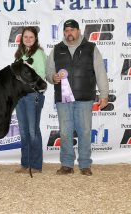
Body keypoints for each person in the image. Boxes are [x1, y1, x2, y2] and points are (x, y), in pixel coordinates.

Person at [46, 19, 109, 176]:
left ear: (78, 31)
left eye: (72, 30)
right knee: (65, 132)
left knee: (85, 132)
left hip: (85, 98)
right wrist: (53, 77)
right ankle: (67, 164)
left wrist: (104, 94)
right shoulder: (56, 49)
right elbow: (48, 72)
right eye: (66, 31)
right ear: (64, 33)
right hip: (63, 99)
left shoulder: (91, 48)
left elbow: (100, 72)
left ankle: (85, 164)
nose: (69, 33)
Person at [14, 26, 47, 174]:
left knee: (33, 131)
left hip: (33, 95)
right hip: (20, 96)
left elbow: (41, 75)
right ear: (22, 39)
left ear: (35, 39)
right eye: (25, 37)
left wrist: (27, 69)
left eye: (31, 37)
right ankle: (25, 164)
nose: (28, 39)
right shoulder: (19, 54)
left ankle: (36, 165)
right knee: (23, 131)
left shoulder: (39, 54)